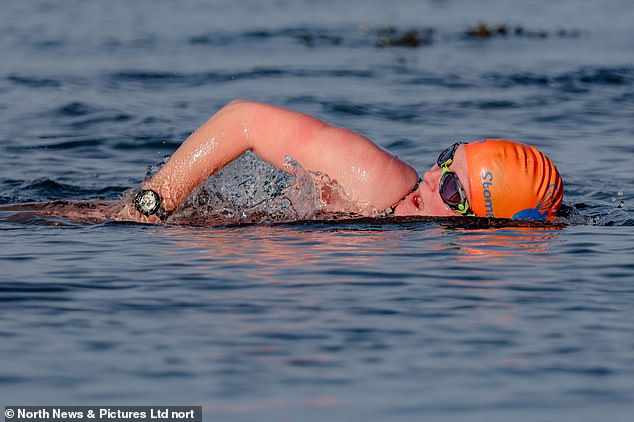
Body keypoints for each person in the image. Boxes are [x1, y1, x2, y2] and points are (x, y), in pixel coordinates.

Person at [117, 99, 563, 224]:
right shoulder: (378, 180)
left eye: (451, 189)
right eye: (445, 159)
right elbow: (243, 120)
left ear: (480, 221)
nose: (430, 175)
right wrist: (154, 203)